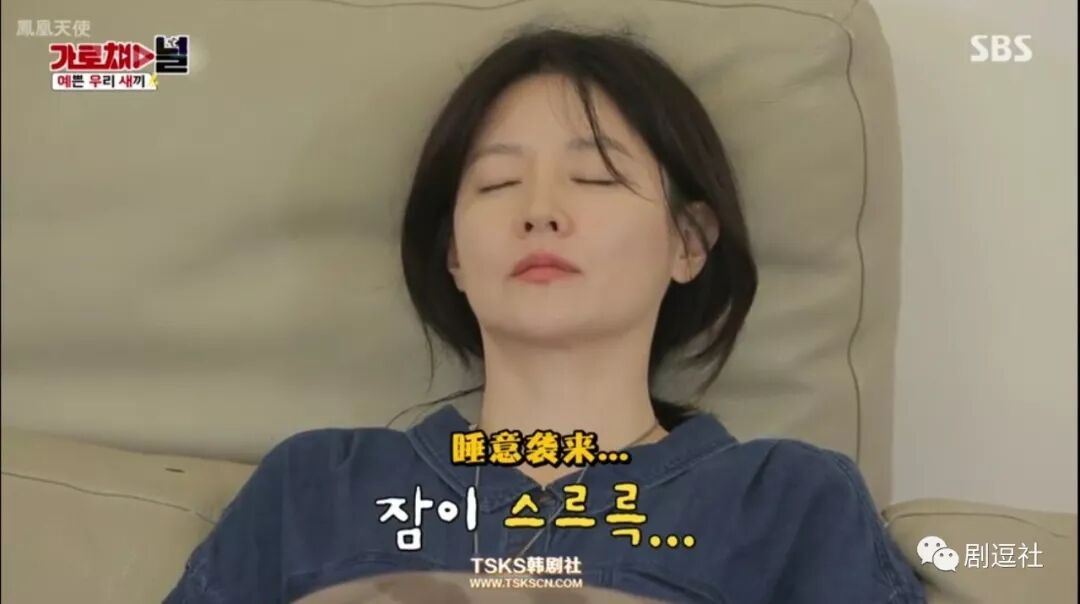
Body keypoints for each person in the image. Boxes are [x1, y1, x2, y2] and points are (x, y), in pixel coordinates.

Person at [164, 26, 926, 603]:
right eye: (497, 184)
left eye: (594, 177)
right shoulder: (315, 487)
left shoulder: (786, 501)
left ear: (688, 242)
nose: (539, 212)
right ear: (454, 256)